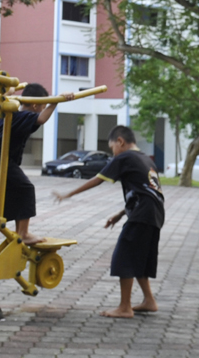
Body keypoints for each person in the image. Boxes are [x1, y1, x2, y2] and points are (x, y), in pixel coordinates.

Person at [52, 124, 164, 318]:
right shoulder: (146, 159)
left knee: (124, 256)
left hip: (141, 214)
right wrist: (121, 214)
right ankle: (149, 300)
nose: (113, 152)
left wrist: (68, 194)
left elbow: (97, 179)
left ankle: (125, 307)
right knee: (140, 257)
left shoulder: (124, 157)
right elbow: (146, 191)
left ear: (120, 142)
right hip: (154, 214)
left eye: (112, 147)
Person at [0, 83, 56, 244]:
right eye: (43, 106)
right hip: (2, 161)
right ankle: (23, 233)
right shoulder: (24, 115)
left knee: (15, 192)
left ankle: (19, 231)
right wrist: (55, 102)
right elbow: (42, 118)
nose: (43, 109)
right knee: (26, 188)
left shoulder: (12, 113)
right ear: (35, 105)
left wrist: (11, 88)